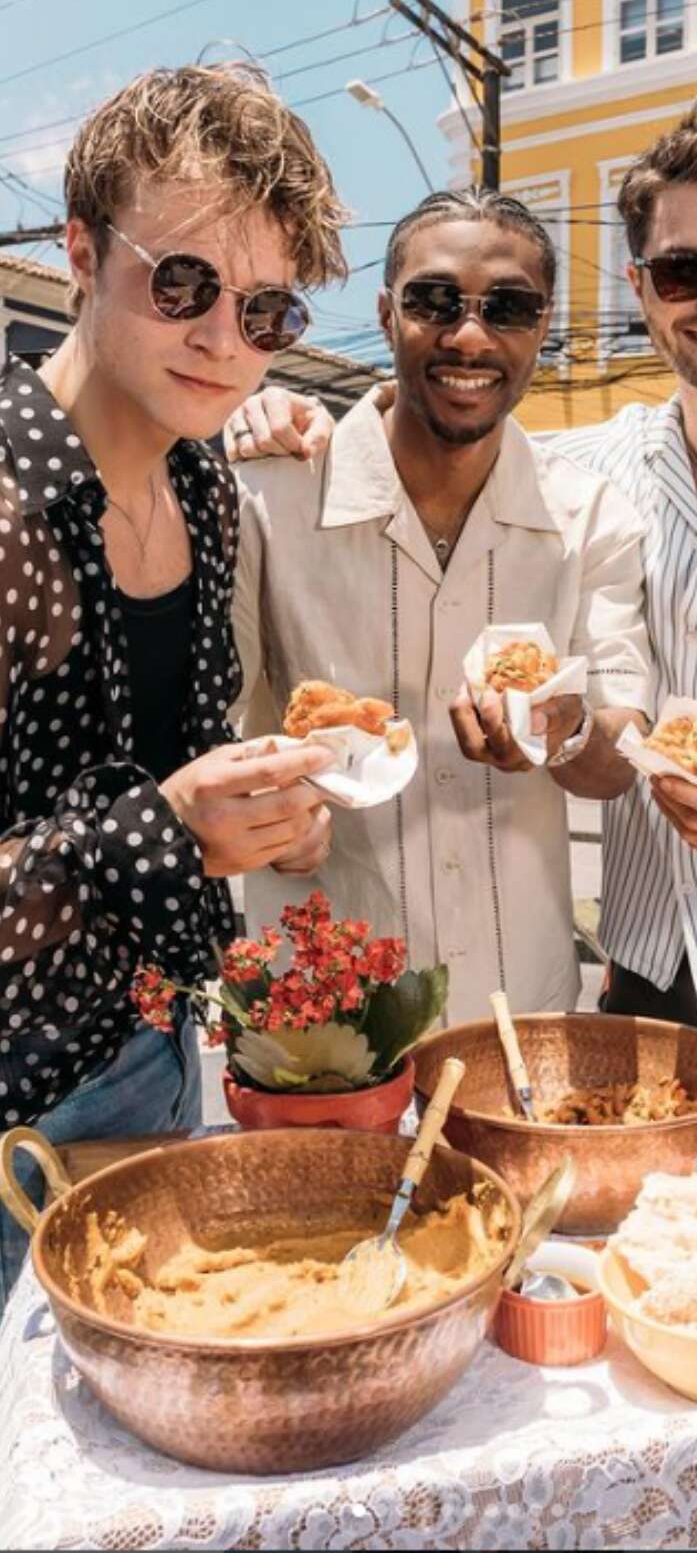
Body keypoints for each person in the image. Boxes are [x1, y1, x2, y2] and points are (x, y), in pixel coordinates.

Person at [227, 100, 697, 1020]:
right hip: (646, 972)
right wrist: (274, 412)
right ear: (640, 285)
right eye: (680, 270)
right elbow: (447, 424)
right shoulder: (592, 476)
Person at [0, 64, 346, 1297]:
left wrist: (260, 820)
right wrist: (166, 832)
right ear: (84, 253)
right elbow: (156, 822)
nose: (221, 339)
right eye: (184, 282)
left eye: (266, 314)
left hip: (151, 1060)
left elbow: (178, 778)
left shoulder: (208, 493)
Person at [231, 190, 652, 1022]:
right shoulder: (269, 496)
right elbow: (209, 736)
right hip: (322, 1013)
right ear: (388, 315)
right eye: (433, 301)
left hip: (522, 1010)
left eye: (508, 307)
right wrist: (273, 820)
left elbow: (618, 763)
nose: (469, 334)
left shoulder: (591, 518)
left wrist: (562, 730)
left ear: (541, 328)